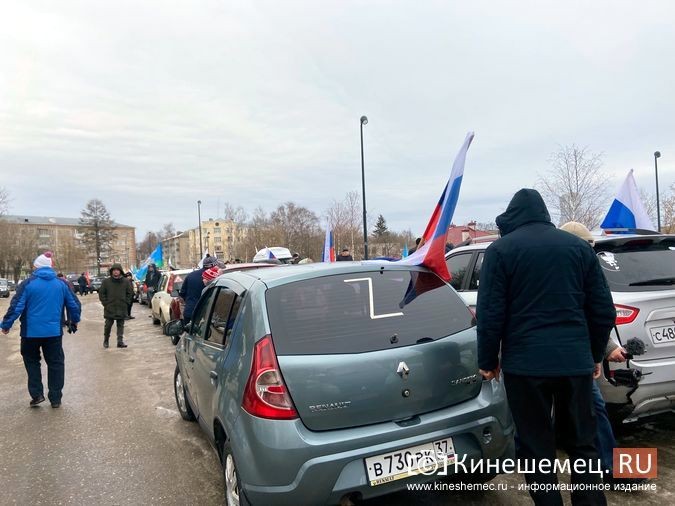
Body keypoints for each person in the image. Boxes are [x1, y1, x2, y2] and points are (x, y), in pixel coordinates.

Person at [477, 189, 616, 506]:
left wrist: (488, 360)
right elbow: (603, 310)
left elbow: (490, 314)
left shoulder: (500, 251)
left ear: (511, 216)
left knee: (536, 449)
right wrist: (594, 355)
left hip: (526, 368)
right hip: (575, 364)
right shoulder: (579, 249)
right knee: (583, 446)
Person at [560, 221, 631, 479]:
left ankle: (611, 467)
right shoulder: (559, 273)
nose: (590, 253)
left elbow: (596, 315)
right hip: (564, 357)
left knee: (594, 408)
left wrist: (607, 348)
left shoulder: (584, 270)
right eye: (586, 247)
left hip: (577, 355)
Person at [1, 252, 81, 408]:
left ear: (36, 267)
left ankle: (37, 394)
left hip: (30, 333)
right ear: (50, 267)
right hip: (54, 333)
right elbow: (74, 304)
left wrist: (6, 324)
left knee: (32, 362)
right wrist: (75, 320)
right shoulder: (61, 284)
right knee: (56, 363)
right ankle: (56, 398)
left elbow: (16, 306)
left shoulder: (28, 284)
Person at [99, 263, 133, 348]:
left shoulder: (126, 281)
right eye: (114, 270)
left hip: (122, 307)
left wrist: (126, 302)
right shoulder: (106, 282)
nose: (116, 272)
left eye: (117, 270)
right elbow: (101, 293)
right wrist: (105, 303)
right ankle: (106, 340)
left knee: (120, 325)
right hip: (110, 307)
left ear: (120, 271)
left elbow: (130, 293)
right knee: (108, 325)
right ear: (112, 272)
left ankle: (120, 341)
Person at [179, 256, 217, 324]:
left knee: (189, 333)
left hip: (190, 312)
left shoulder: (190, 275)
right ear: (213, 265)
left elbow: (182, 294)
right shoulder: (215, 277)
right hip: (208, 315)